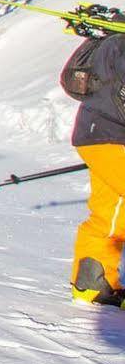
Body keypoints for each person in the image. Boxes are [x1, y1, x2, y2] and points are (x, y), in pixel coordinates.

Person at [61, 28, 125, 306]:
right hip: (114, 138)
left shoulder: (112, 41)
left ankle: (93, 283)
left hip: (95, 137)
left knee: (112, 212)